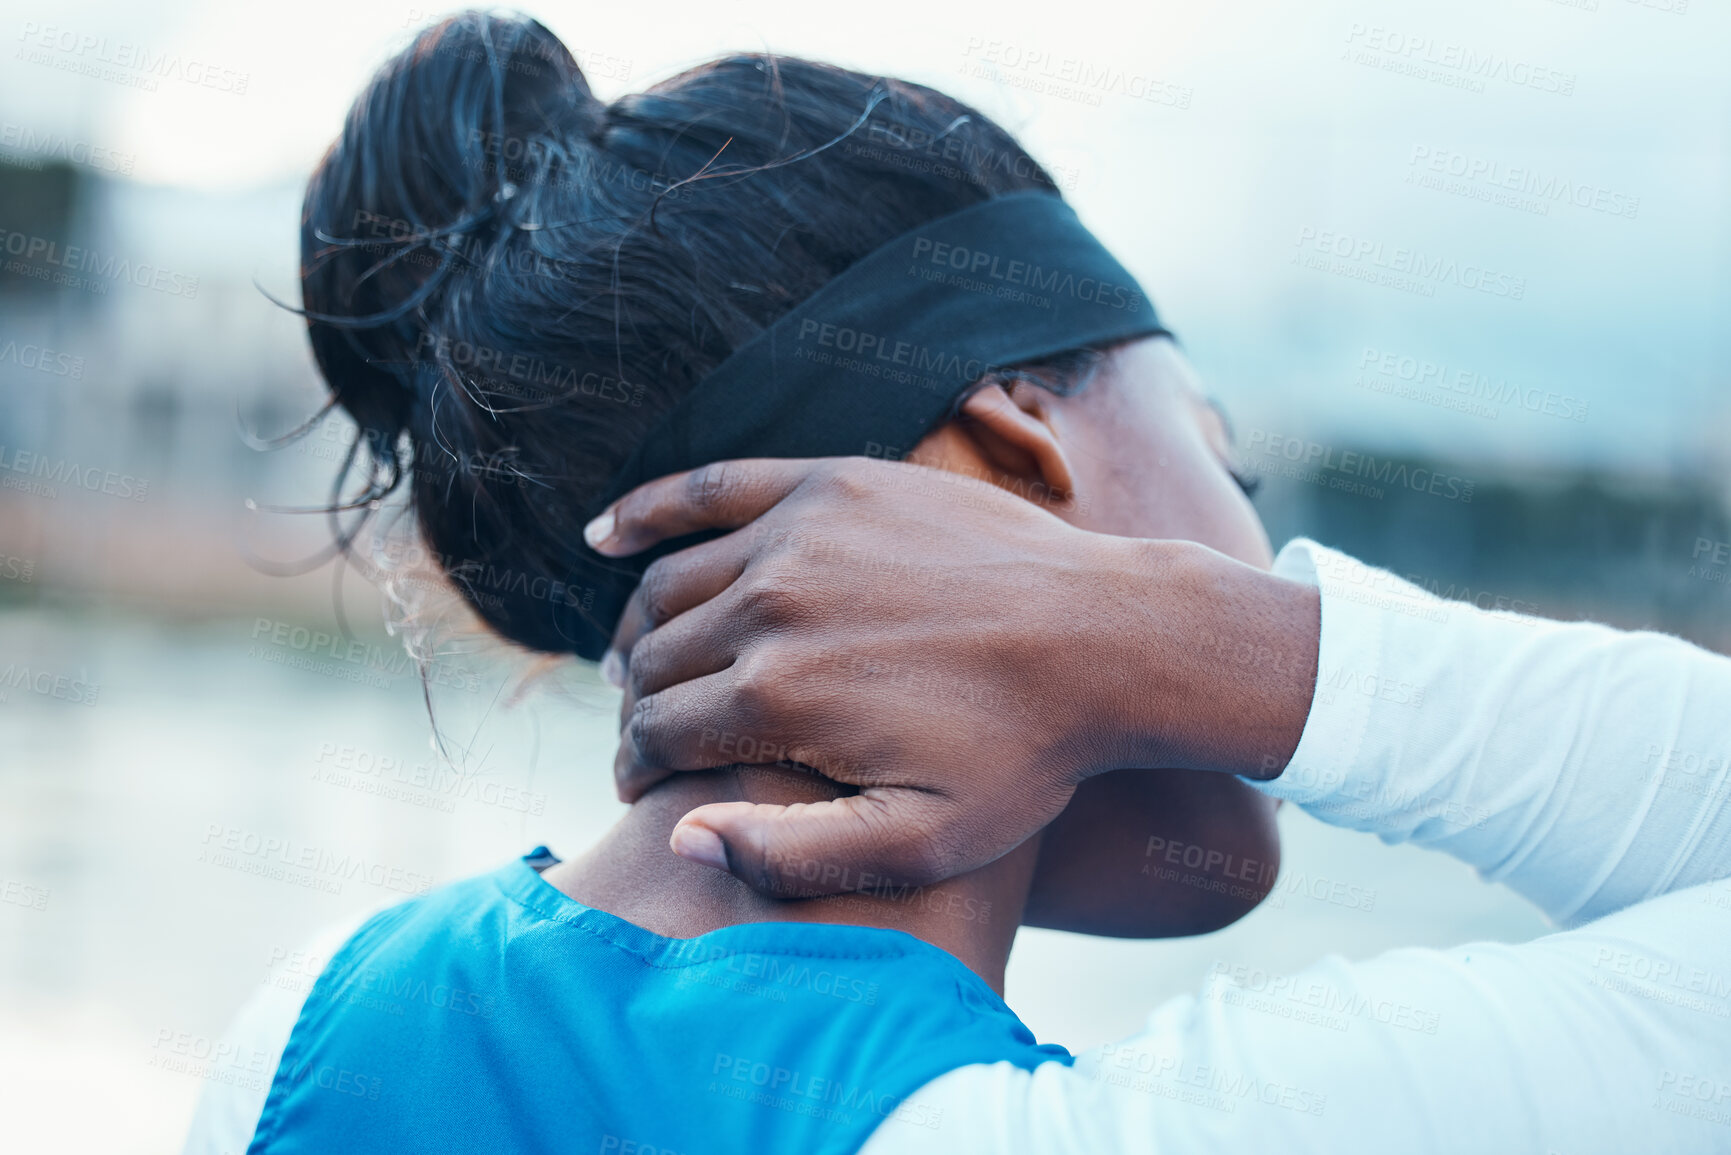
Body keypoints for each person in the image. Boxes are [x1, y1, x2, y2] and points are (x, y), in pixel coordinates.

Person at [185, 12, 1289, 1152]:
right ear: (1014, 451)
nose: (1287, 564)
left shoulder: (311, 1022)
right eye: (1226, 456)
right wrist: (1282, 668)